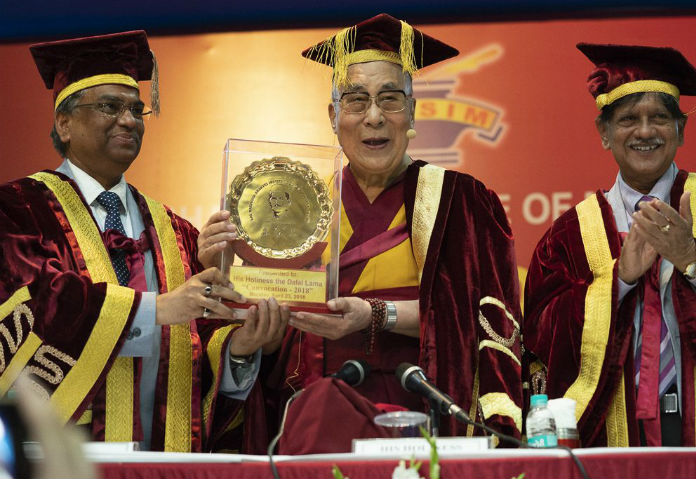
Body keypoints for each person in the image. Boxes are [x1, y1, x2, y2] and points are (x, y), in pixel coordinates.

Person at [209, 13, 523, 452]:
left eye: (390, 99)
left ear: (413, 111)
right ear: (334, 116)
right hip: (318, 424)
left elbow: (493, 322)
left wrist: (377, 315)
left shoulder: (461, 201)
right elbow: (275, 339)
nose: (374, 116)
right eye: (356, 100)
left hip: (425, 422)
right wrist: (229, 286)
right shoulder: (295, 209)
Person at [0, 30, 288, 452]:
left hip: (165, 457)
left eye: (137, 108)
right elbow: (40, 302)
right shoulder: (19, 209)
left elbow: (200, 340)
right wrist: (157, 309)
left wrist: (238, 349)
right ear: (64, 122)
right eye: (110, 106)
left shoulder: (175, 230)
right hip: (58, 455)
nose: (130, 120)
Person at [523, 43, 696, 447]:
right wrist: (617, 282)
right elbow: (539, 337)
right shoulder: (567, 236)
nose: (645, 131)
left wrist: (694, 261)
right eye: (628, 119)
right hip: (612, 436)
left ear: (681, 130)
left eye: (659, 118)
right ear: (604, 133)